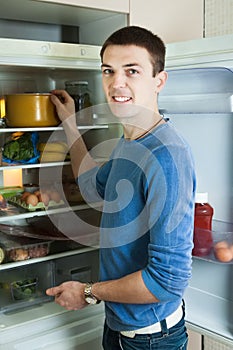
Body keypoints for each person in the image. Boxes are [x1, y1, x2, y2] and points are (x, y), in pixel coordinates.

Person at [46, 26, 196, 350]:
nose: (117, 83)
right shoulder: (129, 142)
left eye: (132, 71)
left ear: (159, 81)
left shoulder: (167, 156)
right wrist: (70, 124)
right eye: (108, 71)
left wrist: (88, 292)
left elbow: (168, 281)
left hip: (152, 339)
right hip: (119, 328)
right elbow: (90, 185)